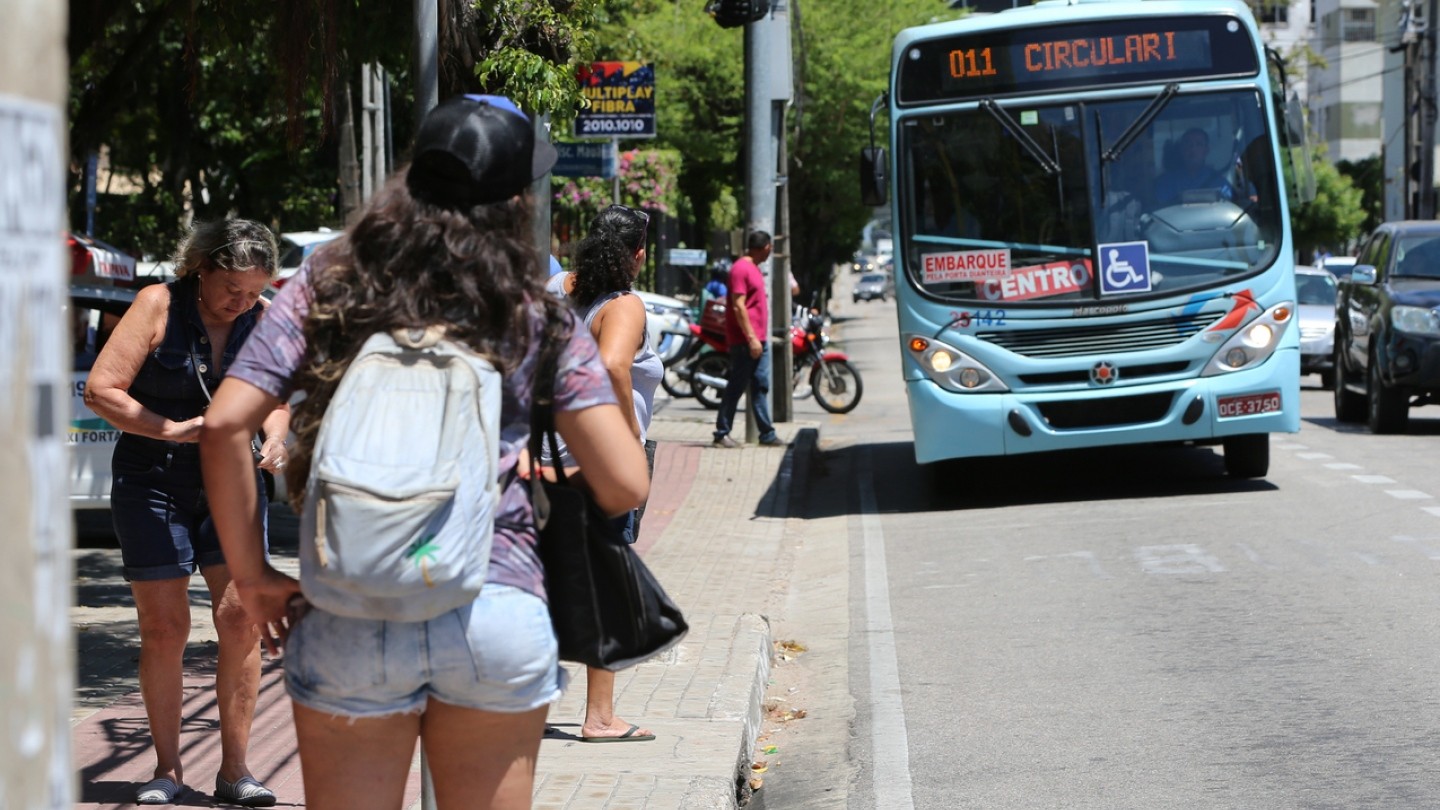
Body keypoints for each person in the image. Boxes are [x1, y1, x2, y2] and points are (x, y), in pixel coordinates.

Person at [197, 94, 649, 810]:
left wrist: (251, 578)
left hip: (347, 602)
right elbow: (624, 485)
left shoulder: (327, 282)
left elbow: (224, 427)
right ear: (513, 197)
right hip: (492, 604)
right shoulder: (530, 307)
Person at [83, 219, 290, 806]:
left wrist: (277, 437)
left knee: (240, 619)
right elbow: (102, 390)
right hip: (152, 479)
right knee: (165, 626)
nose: (241, 301)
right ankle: (167, 770)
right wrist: (171, 430)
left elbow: (277, 399)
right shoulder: (157, 305)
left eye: (253, 290)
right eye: (231, 287)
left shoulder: (266, 317)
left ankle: (236, 771)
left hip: (236, 481)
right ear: (202, 268)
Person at [541, 203, 662, 743]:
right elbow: (614, 365)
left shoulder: (557, 289)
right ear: (638, 254)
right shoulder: (623, 305)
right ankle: (600, 717)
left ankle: (508, 701)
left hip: (543, 456)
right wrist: (628, 439)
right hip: (595, 463)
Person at [713, 231, 783, 448]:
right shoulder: (741, 269)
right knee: (736, 386)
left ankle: (767, 433)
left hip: (757, 339)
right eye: (770, 247)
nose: (771, 252)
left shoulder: (753, 268)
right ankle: (721, 432)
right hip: (746, 340)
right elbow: (738, 305)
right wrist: (751, 338)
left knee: (760, 385)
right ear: (764, 247)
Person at [1154, 127, 1234, 206]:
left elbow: (1228, 202)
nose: (1193, 149)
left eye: (1199, 144)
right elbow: (1163, 207)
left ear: (1206, 150)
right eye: (1188, 144)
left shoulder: (1218, 181)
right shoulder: (1167, 182)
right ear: (1181, 149)